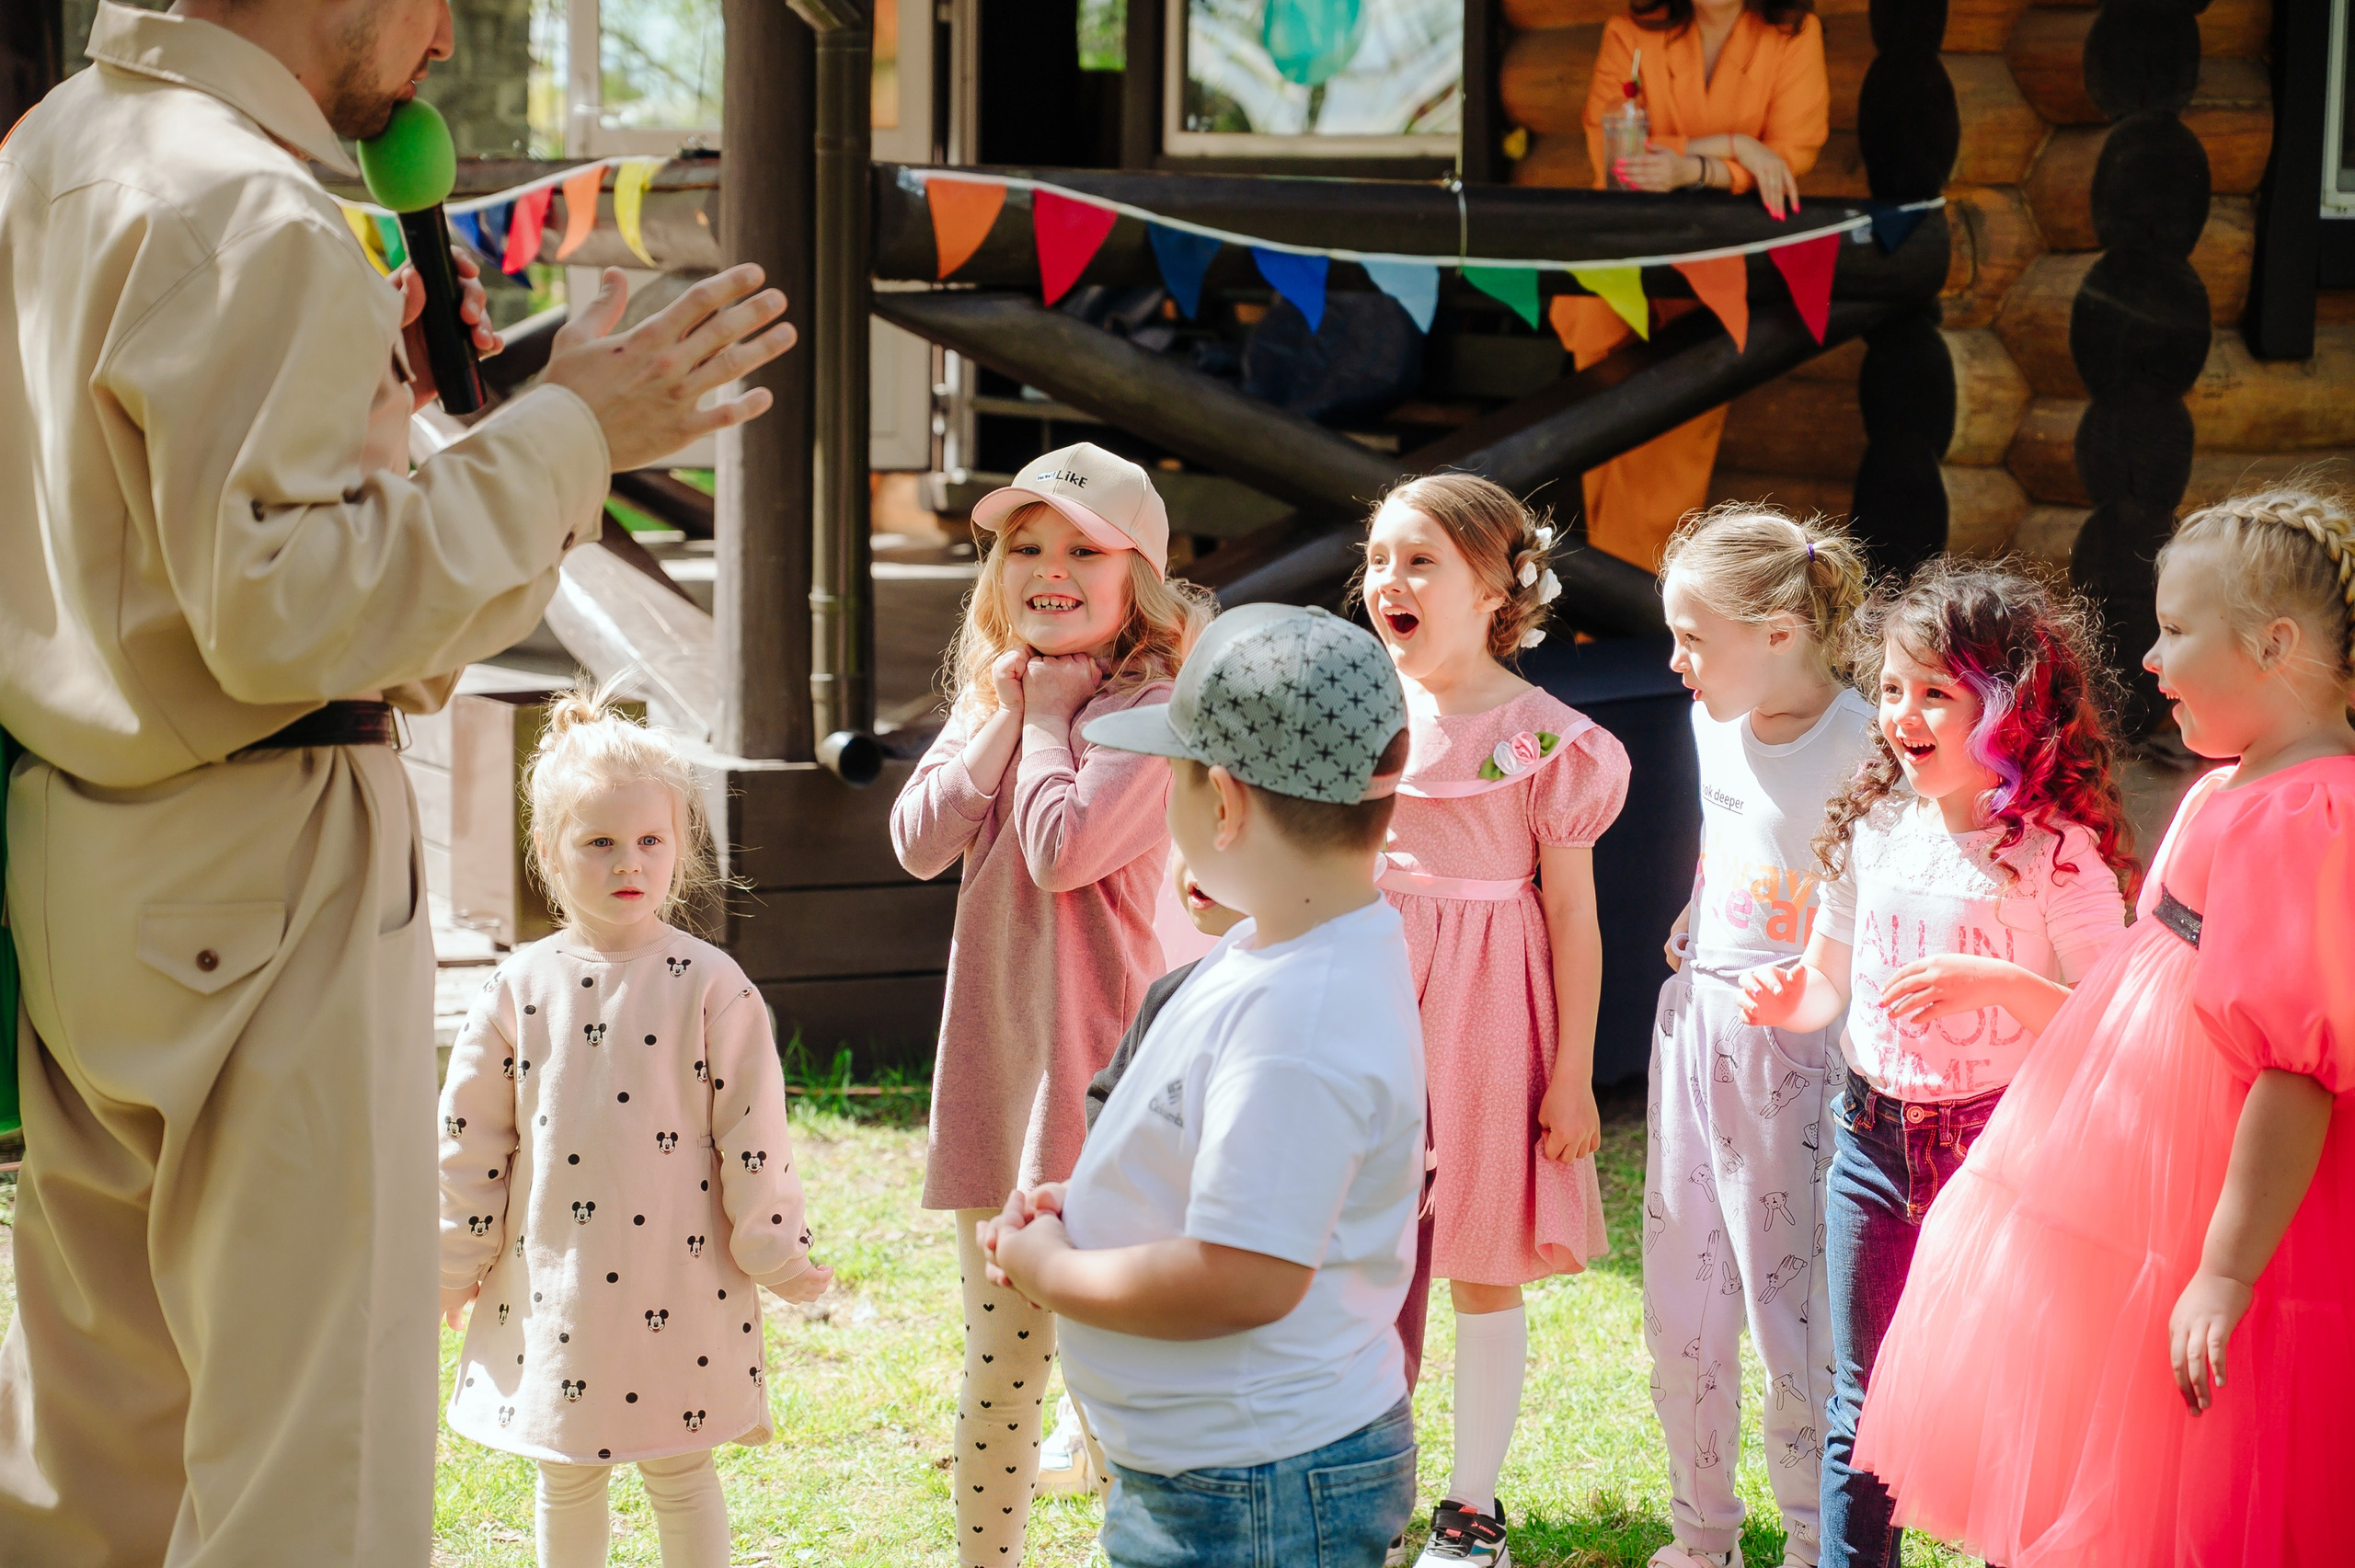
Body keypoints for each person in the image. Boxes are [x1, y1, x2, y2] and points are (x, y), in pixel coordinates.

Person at [0, 0, 798, 1558]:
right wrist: (574, 438)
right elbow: (288, 614)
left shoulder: (57, 150)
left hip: (83, 844)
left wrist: (455, 433)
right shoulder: (246, 206)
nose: (442, 43)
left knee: (101, 1441)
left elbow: (171, 547)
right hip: (259, 856)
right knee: (311, 1462)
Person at [1851, 489, 2355, 1568]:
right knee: (2096, 1419)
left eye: (2177, 630)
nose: (2154, 658)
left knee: (2189, 1466)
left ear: (2273, 645)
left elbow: (2295, 1071)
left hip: (2206, 1197)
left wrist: (2222, 1271)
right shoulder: (2237, 784)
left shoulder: (2302, 813)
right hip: (2133, 1171)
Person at [981, 601, 1427, 1568]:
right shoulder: (1275, 952)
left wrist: (1053, 1271)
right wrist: (1092, 1210)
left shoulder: (1295, 1023)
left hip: (1253, 1487)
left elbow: (1244, 1275)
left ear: (1221, 804)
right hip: (1226, 1468)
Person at [1736, 559, 2136, 1568]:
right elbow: (1832, 977)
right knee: (1860, 1404)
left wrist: (1998, 985)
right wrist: (1797, 999)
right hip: (1871, 1147)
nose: (1903, 713)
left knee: (2008, 1400)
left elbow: (2115, 1023)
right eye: (1891, 688)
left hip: (2002, 1157)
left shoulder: (2055, 852)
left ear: (2007, 709)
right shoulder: (1874, 822)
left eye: (1935, 693)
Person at [888, 441, 1212, 1565]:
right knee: (1002, 1358)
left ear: (1141, 580)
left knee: (1121, 1372)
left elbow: (1065, 850)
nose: (1049, 566)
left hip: (1104, 1082)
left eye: (1085, 546)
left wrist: (1044, 726)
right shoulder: (1000, 688)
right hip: (998, 1068)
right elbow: (919, 841)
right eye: (1025, 545)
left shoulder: (1160, 710)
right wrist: (1004, 717)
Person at [435, 689, 832, 1568]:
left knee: (681, 1471)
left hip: (679, 1282)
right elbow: (470, 1147)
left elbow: (753, 1134)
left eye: (652, 840)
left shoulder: (710, 983)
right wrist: (449, 1266)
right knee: (565, 1474)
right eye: (600, 842)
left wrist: (778, 1251)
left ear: (682, 847)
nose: (630, 861)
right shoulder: (517, 987)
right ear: (549, 852)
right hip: (555, 1290)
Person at [1361, 474, 1631, 1568]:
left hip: (1485, 1010)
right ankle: (1357, 1482)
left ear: (1495, 589)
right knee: (1356, 1250)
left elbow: (1573, 918)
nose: (1389, 581)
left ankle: (1469, 1507)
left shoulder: (1550, 741)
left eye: (1419, 561)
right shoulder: (1354, 707)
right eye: (1378, 559)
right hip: (1366, 991)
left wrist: (1571, 1075)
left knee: (1479, 1254)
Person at [1645, 507, 1874, 1568]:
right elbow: (1726, 835)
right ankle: (1702, 1536)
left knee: (1795, 1315)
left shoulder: (1869, 741)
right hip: (1695, 1031)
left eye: (1694, 636)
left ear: (1779, 628)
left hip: (1799, 1058)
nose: (1675, 659)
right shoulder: (1707, 724)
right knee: (1681, 1300)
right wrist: (1702, 909)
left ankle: (1805, 1538)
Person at [1568, 0, 1830, 570]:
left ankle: (1638, 639)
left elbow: (1793, 152)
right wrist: (1738, 150)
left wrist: (1701, 169)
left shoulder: (1793, 33)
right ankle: (1598, 645)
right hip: (1618, 282)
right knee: (1598, 461)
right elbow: (1614, 153)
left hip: (1713, 286)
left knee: (1671, 472)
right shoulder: (1629, 31)